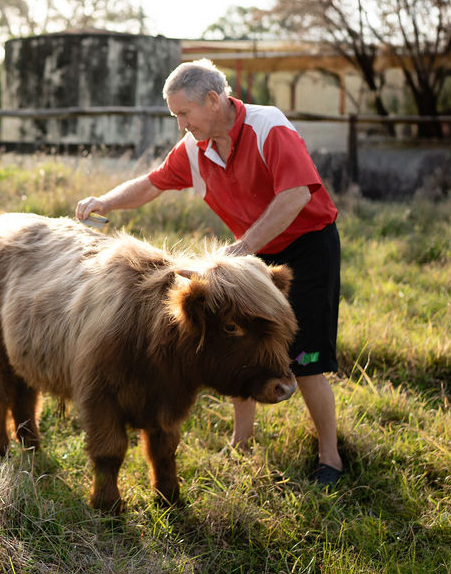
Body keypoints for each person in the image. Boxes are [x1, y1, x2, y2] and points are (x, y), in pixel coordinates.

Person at [74, 58, 344, 487]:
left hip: (306, 249)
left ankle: (330, 456)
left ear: (213, 100)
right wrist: (106, 201)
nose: (181, 124)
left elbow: (295, 195)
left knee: (305, 359)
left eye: (184, 113)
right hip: (250, 257)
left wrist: (241, 251)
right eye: (175, 116)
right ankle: (242, 442)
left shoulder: (267, 127)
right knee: (233, 343)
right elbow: (152, 183)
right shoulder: (194, 150)